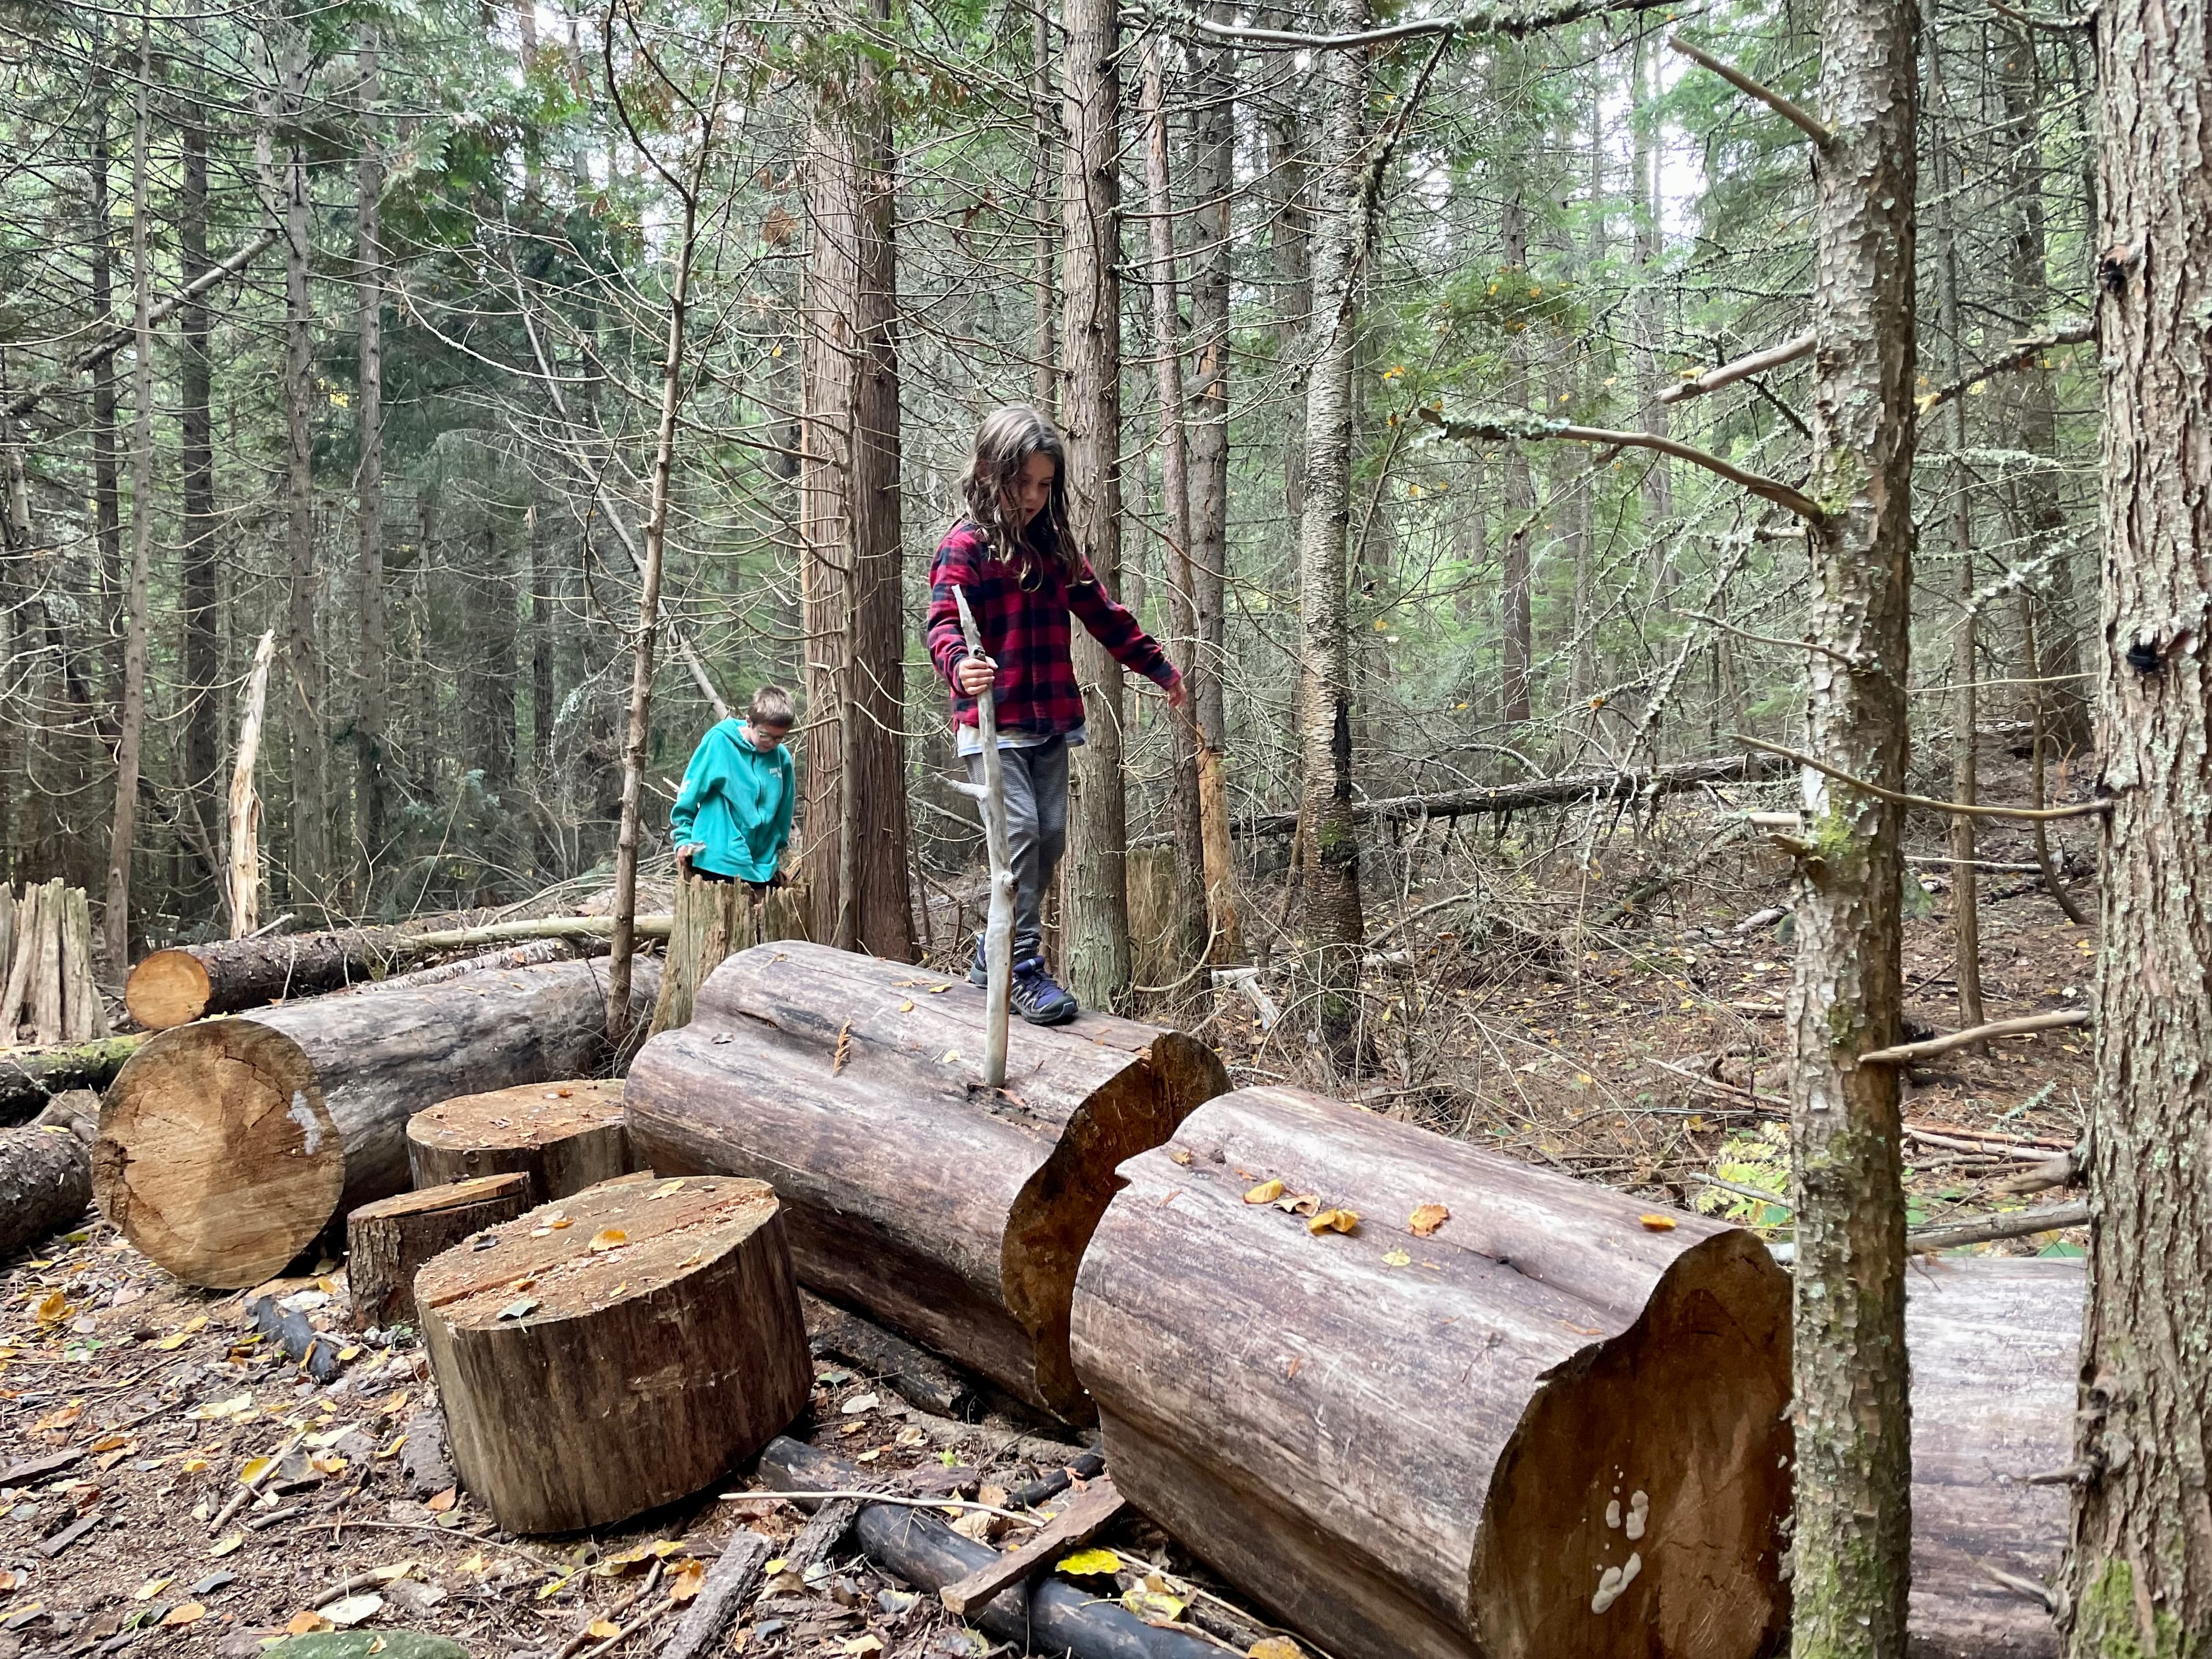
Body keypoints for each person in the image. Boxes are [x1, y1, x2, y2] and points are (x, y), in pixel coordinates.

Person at [925, 404, 1185, 1025]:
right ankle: (1020, 969)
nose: (1034, 498)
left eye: (1045, 485)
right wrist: (961, 665)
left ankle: (994, 961)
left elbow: (1103, 613)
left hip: (1050, 724)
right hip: (993, 729)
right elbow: (940, 625)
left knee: (1048, 840)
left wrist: (1156, 666)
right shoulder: (964, 547)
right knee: (1018, 841)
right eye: (1023, 483)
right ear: (991, 472)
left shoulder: (1054, 549)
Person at [670, 684, 796, 893]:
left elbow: (782, 816)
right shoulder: (719, 742)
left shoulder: (782, 759)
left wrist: (776, 860)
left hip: (761, 866)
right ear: (749, 721)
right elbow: (688, 796)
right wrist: (683, 839)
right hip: (715, 861)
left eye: (779, 738)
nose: (773, 743)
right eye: (766, 735)